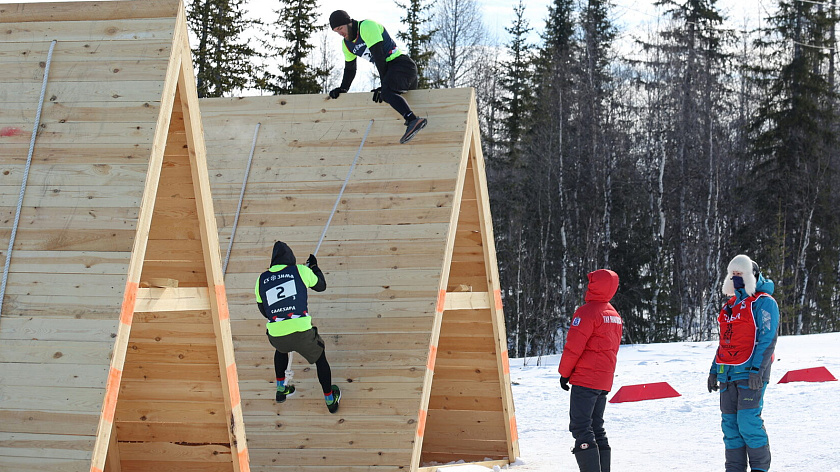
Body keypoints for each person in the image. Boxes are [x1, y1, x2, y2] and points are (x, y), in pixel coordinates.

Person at [707, 254, 779, 472]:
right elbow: (725, 342)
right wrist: (713, 371)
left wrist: (758, 370)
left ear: (752, 276)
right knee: (730, 427)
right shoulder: (730, 306)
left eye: (741, 274)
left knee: (748, 423)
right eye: (733, 274)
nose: (737, 278)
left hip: (751, 374)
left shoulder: (764, 303)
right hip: (727, 375)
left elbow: (768, 339)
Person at [255, 241, 341, 413]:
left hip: (276, 334)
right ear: (291, 258)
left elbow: (264, 311)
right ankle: (330, 398)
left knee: (281, 350)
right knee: (320, 358)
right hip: (302, 332)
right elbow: (321, 286)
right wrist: (314, 268)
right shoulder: (300, 271)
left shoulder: (261, 279)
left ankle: (281, 388)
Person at [327, 9, 428, 144]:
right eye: (336, 31)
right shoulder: (346, 45)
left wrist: (383, 85)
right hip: (392, 71)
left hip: (402, 66)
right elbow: (350, 69)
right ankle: (414, 125)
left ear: (349, 23)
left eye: (341, 28)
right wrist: (343, 88)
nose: (340, 33)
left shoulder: (366, 26)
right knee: (390, 95)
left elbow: (379, 57)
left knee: (386, 93)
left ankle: (413, 120)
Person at [558, 269, 623, 472]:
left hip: (586, 379)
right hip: (604, 380)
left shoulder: (587, 312)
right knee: (597, 427)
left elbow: (574, 346)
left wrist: (564, 373)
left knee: (581, 427)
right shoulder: (614, 314)